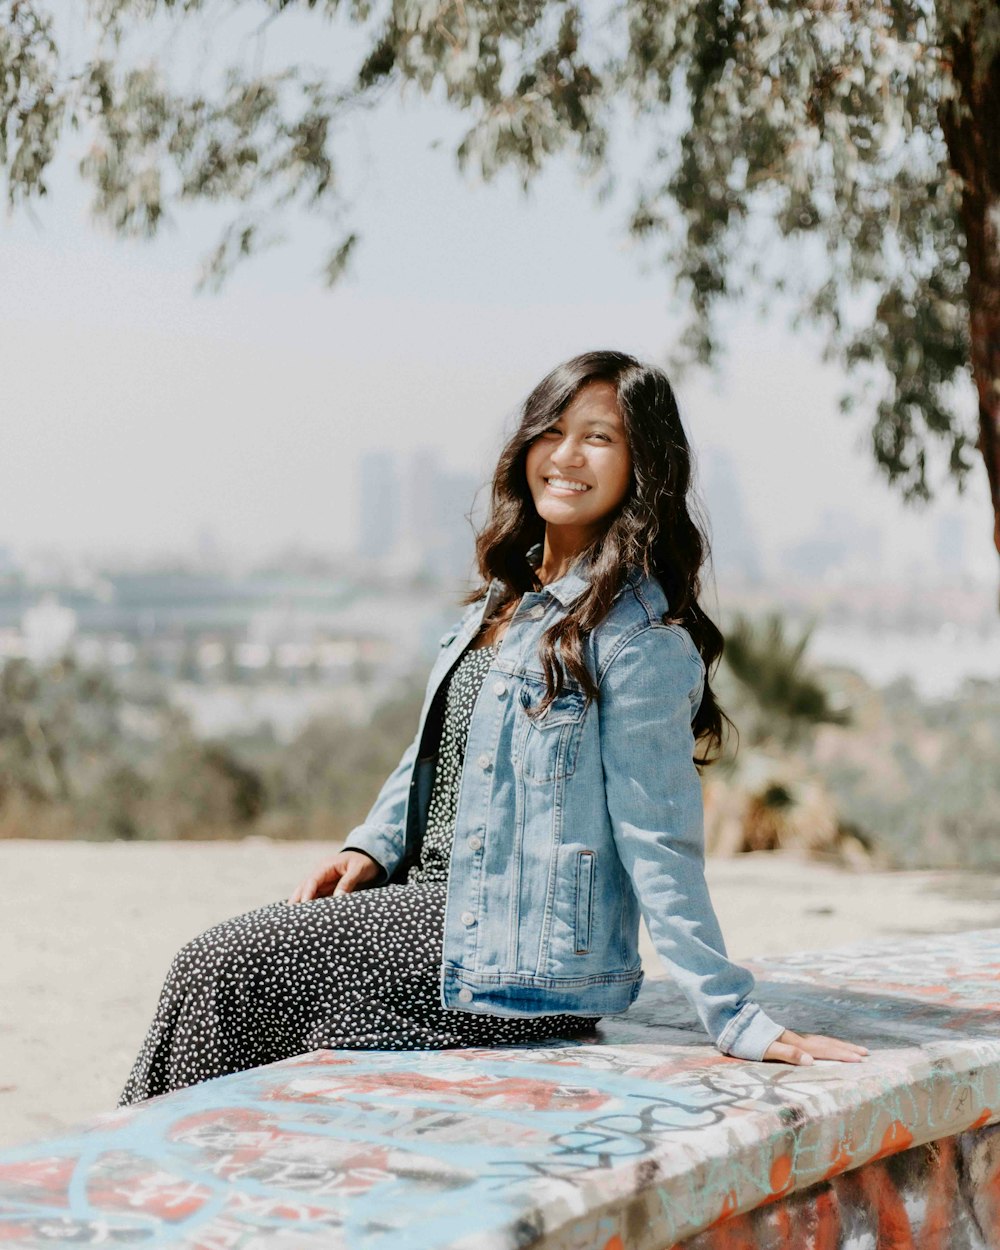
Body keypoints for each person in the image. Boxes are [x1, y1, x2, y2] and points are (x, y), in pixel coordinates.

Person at [119, 350, 866, 1106]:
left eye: (599, 438)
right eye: (552, 430)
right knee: (238, 984)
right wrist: (369, 845)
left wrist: (733, 1015)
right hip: (436, 905)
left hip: (519, 962)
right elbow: (437, 751)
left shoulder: (641, 642)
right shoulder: (508, 598)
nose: (566, 456)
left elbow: (660, 841)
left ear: (642, 467)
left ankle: (133, 1183)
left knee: (219, 967)